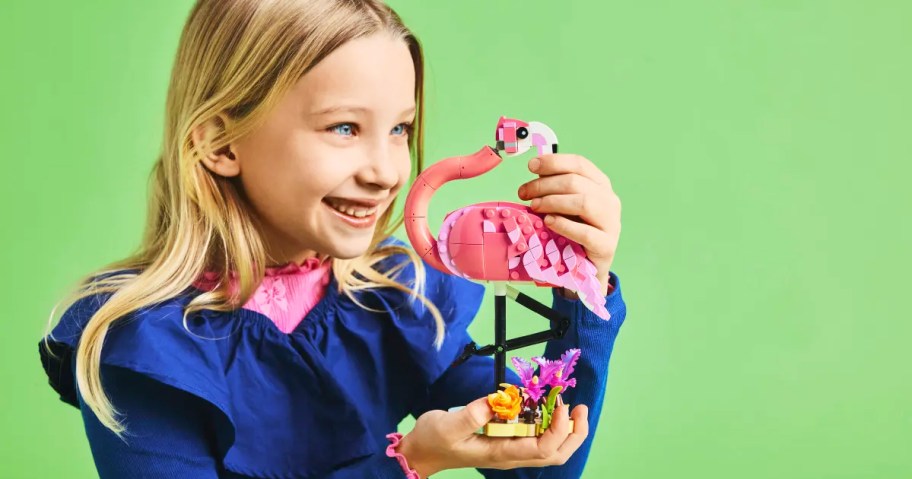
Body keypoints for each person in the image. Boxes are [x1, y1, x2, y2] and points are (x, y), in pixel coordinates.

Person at [39, 1, 626, 477]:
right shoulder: (147, 348)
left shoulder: (398, 300)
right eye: (344, 127)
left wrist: (583, 284)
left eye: (399, 129)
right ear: (221, 143)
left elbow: (539, 466)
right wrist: (411, 461)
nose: (387, 172)